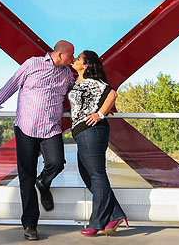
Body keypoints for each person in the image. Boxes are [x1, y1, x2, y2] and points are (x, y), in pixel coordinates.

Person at [0, 40, 76, 241]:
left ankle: (44, 182)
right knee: (26, 176)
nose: (73, 59)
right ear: (60, 55)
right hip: (26, 128)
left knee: (57, 163)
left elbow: (76, 94)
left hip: (51, 128)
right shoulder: (32, 64)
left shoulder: (67, 74)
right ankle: (30, 225)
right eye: (71, 56)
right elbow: (13, 83)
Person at [68, 50, 128, 237]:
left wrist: (100, 114)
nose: (75, 60)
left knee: (96, 174)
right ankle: (115, 214)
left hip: (92, 131)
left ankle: (96, 223)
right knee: (87, 173)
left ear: (85, 65)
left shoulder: (92, 81)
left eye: (78, 59)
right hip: (82, 132)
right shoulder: (77, 81)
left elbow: (112, 94)